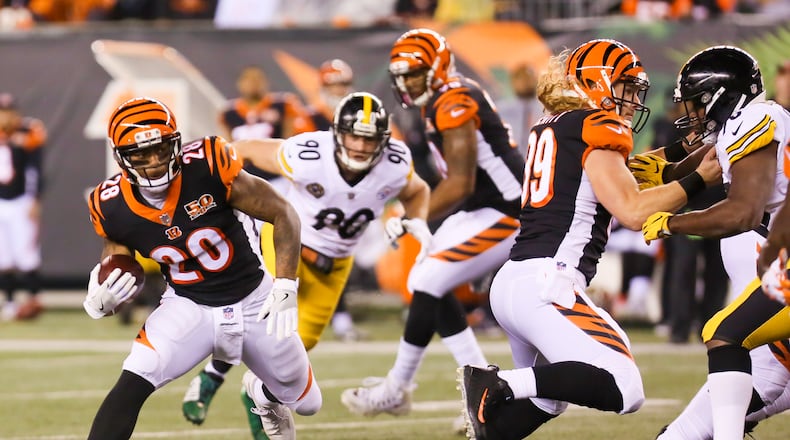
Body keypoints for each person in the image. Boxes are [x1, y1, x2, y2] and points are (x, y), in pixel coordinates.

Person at [457, 38, 722, 439]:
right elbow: (632, 210)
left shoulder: (559, 125)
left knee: (549, 398)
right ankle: (502, 384)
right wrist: (700, 180)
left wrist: (687, 152)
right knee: (625, 387)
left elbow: (627, 172)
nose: (633, 100)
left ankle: (498, 414)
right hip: (550, 283)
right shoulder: (596, 127)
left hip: (516, 281)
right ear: (597, 83)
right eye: (626, 88)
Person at [180, 92, 432, 437]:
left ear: (383, 142)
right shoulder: (309, 154)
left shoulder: (395, 162)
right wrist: (200, 180)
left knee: (295, 352)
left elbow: (417, 191)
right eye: (354, 135)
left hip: (335, 265)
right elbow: (245, 150)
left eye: (369, 138)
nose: (360, 146)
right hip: (286, 247)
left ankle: (257, 393)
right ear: (337, 133)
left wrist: (414, 220)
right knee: (257, 326)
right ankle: (211, 378)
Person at [83, 96, 321, 440]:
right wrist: (102, 300)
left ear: (175, 144)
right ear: (121, 157)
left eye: (161, 150)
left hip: (255, 298)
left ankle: (263, 395)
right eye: (140, 155)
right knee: (134, 377)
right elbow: (118, 263)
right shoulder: (111, 204)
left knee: (308, 402)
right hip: (188, 304)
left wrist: (285, 283)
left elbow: (283, 212)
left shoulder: (210, 165)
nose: (153, 162)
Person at [340, 28, 525, 421]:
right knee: (425, 280)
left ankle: (397, 387)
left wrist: (413, 215)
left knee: (427, 280)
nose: (406, 82)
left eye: (413, 73)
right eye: (401, 75)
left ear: (437, 68)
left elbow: (460, 181)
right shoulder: (441, 98)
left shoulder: (454, 99)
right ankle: (481, 386)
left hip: (509, 212)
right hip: (481, 209)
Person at [637, 46, 790, 440]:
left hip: (780, 270)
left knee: (723, 333)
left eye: (695, 104)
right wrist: (657, 171)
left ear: (718, 96)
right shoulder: (745, 123)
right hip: (777, 274)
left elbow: (742, 212)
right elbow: (686, 164)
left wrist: (672, 222)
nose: (691, 114)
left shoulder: (754, 120)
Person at [0, 92, 46, 321]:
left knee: (27, 254)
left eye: (8, 111)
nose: (5, 116)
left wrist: (34, 198)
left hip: (20, 201)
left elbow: (34, 169)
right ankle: (9, 303)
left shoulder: (28, 131)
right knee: (4, 257)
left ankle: (33, 299)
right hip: (0, 202)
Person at [496, 62, 544, 157]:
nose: (525, 82)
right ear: (513, 81)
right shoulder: (501, 110)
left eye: (529, 77)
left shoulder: (547, 108)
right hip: (513, 162)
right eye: (520, 78)